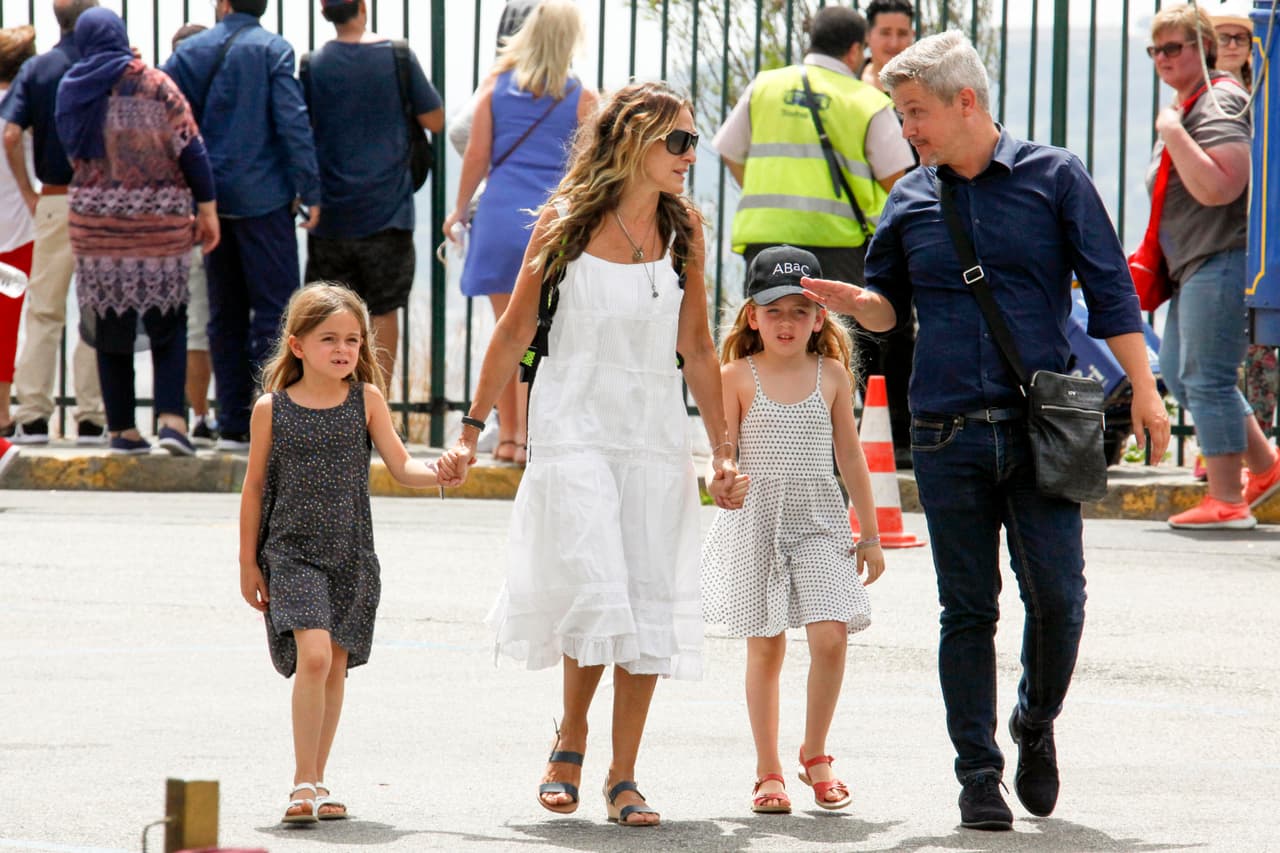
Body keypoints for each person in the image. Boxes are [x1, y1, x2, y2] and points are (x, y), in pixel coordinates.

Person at [802, 31, 1171, 830]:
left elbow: (1110, 291)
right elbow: (890, 307)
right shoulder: (910, 197)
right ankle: (977, 773)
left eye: (916, 114)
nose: (908, 132)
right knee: (967, 610)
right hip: (944, 434)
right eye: (902, 116)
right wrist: (857, 304)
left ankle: (1034, 721)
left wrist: (1145, 391)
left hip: (1040, 430)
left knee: (1061, 602)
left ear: (965, 101)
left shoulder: (1055, 178)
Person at [436, 81, 748, 827]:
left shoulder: (685, 233)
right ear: (631, 141)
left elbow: (699, 347)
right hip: (572, 424)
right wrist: (471, 429)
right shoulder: (565, 221)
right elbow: (512, 332)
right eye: (676, 140)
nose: (689, 154)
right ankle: (570, 736)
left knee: (643, 597)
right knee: (598, 581)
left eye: (692, 141)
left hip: (650, 435)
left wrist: (724, 450)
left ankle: (624, 774)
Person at [238, 283, 445, 824]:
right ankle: (300, 782)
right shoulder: (272, 408)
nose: (344, 349)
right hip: (290, 554)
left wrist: (443, 472)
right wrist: (247, 562)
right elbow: (254, 487)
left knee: (334, 669)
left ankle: (318, 779)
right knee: (313, 657)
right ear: (298, 345)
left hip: (351, 555)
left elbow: (403, 467)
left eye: (353, 340)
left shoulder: (366, 400)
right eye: (329, 338)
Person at [699, 245, 885, 815]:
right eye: (773, 310)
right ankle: (768, 770)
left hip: (820, 523)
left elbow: (851, 456)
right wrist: (719, 480)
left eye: (799, 311)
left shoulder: (832, 374)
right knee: (767, 648)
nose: (786, 322)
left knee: (830, 637)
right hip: (757, 524)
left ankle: (816, 752)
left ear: (819, 317)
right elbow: (721, 453)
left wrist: (871, 534)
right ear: (751, 316)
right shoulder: (733, 375)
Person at [712, 6, 916, 467]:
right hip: (837, 242)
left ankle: (755, 441)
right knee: (837, 343)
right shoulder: (866, 102)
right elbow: (898, 179)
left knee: (761, 339)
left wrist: (764, 191)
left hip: (766, 239)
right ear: (855, 49)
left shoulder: (766, 85)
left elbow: (728, 148)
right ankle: (834, 443)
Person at [55, 9, 219, 456]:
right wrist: (207, 209)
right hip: (159, 226)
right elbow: (192, 148)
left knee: (110, 324)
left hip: (97, 230)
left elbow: (62, 153)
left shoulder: (72, 90)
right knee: (169, 322)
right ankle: (171, 422)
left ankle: (122, 430)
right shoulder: (156, 85)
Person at [442, 0, 596, 466]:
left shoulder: (496, 88)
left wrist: (456, 212)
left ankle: (508, 436)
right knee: (538, 336)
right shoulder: (581, 97)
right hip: (550, 224)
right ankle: (530, 435)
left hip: (499, 218)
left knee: (506, 330)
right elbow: (588, 168)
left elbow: (476, 157)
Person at [162, 0, 321, 452]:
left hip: (207, 199)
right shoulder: (273, 50)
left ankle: (231, 422)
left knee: (222, 314)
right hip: (264, 200)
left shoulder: (188, 54)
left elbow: (166, 120)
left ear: (223, 5)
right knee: (276, 313)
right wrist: (310, 188)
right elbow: (292, 122)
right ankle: (272, 414)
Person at [1145, 5, 1280, 528]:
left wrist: (1171, 131)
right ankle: (1264, 467)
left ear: (1202, 48)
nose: (1163, 59)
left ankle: (1227, 499)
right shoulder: (1193, 103)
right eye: (1156, 50)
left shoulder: (1218, 100)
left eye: (1174, 48)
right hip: (1196, 262)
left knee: (1207, 376)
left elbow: (1224, 185)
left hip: (1221, 257)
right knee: (1181, 372)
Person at [302, 0, 444, 387]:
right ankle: (376, 407)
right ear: (363, 7)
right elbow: (435, 119)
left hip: (330, 215)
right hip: (388, 212)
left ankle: (332, 407)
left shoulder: (312, 65)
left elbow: (302, 128)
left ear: (324, 13)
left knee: (327, 316)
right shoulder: (397, 55)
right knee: (383, 311)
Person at [0, 0, 106, 446]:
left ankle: (34, 415)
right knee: (96, 311)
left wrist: (29, 191)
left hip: (55, 198)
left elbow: (10, 133)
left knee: (43, 311)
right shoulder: (107, 68)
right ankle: (91, 415)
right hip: (102, 202)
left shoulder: (38, 70)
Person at [1210, 0, 1280, 453]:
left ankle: (1257, 446)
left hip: (1255, 237)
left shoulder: (1265, 88)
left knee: (1257, 350)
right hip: (1223, 235)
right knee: (1223, 355)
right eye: (1225, 38)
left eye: (1242, 36)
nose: (1235, 46)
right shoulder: (1211, 96)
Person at [169, 22, 218, 447]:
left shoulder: (163, 99)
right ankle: (205, 415)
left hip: (168, 224)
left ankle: (191, 414)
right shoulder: (217, 94)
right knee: (210, 324)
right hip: (211, 221)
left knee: (187, 327)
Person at [0, 24, 36, 437]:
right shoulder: (22, 107)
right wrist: (29, 191)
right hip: (19, 228)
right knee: (11, 319)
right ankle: (4, 409)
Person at [861, 0, 915, 92]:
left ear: (912, 35)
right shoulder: (848, 79)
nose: (894, 43)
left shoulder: (927, 85)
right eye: (885, 33)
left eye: (902, 33)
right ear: (867, 35)